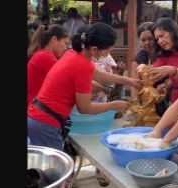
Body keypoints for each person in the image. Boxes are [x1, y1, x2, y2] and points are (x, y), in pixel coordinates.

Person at [27, 22, 142, 151]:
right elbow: (84, 108)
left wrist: (129, 81)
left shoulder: (73, 54)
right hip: (45, 124)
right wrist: (114, 105)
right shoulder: (82, 65)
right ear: (94, 49)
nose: (107, 56)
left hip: (38, 117)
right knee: (51, 170)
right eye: (107, 52)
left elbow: (97, 74)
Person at [135, 17, 178, 106]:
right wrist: (142, 67)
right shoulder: (165, 54)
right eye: (157, 39)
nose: (160, 41)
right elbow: (151, 72)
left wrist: (172, 70)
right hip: (176, 101)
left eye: (161, 36)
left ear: (173, 32)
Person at [130, 21, 169, 117]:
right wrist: (136, 107)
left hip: (167, 97)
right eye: (143, 40)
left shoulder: (166, 51)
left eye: (150, 39)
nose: (147, 43)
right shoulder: (140, 54)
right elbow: (134, 83)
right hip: (148, 101)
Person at [27, 24, 69, 108]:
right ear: (54, 39)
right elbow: (70, 78)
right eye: (65, 43)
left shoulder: (41, 54)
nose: (65, 48)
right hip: (35, 109)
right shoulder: (45, 57)